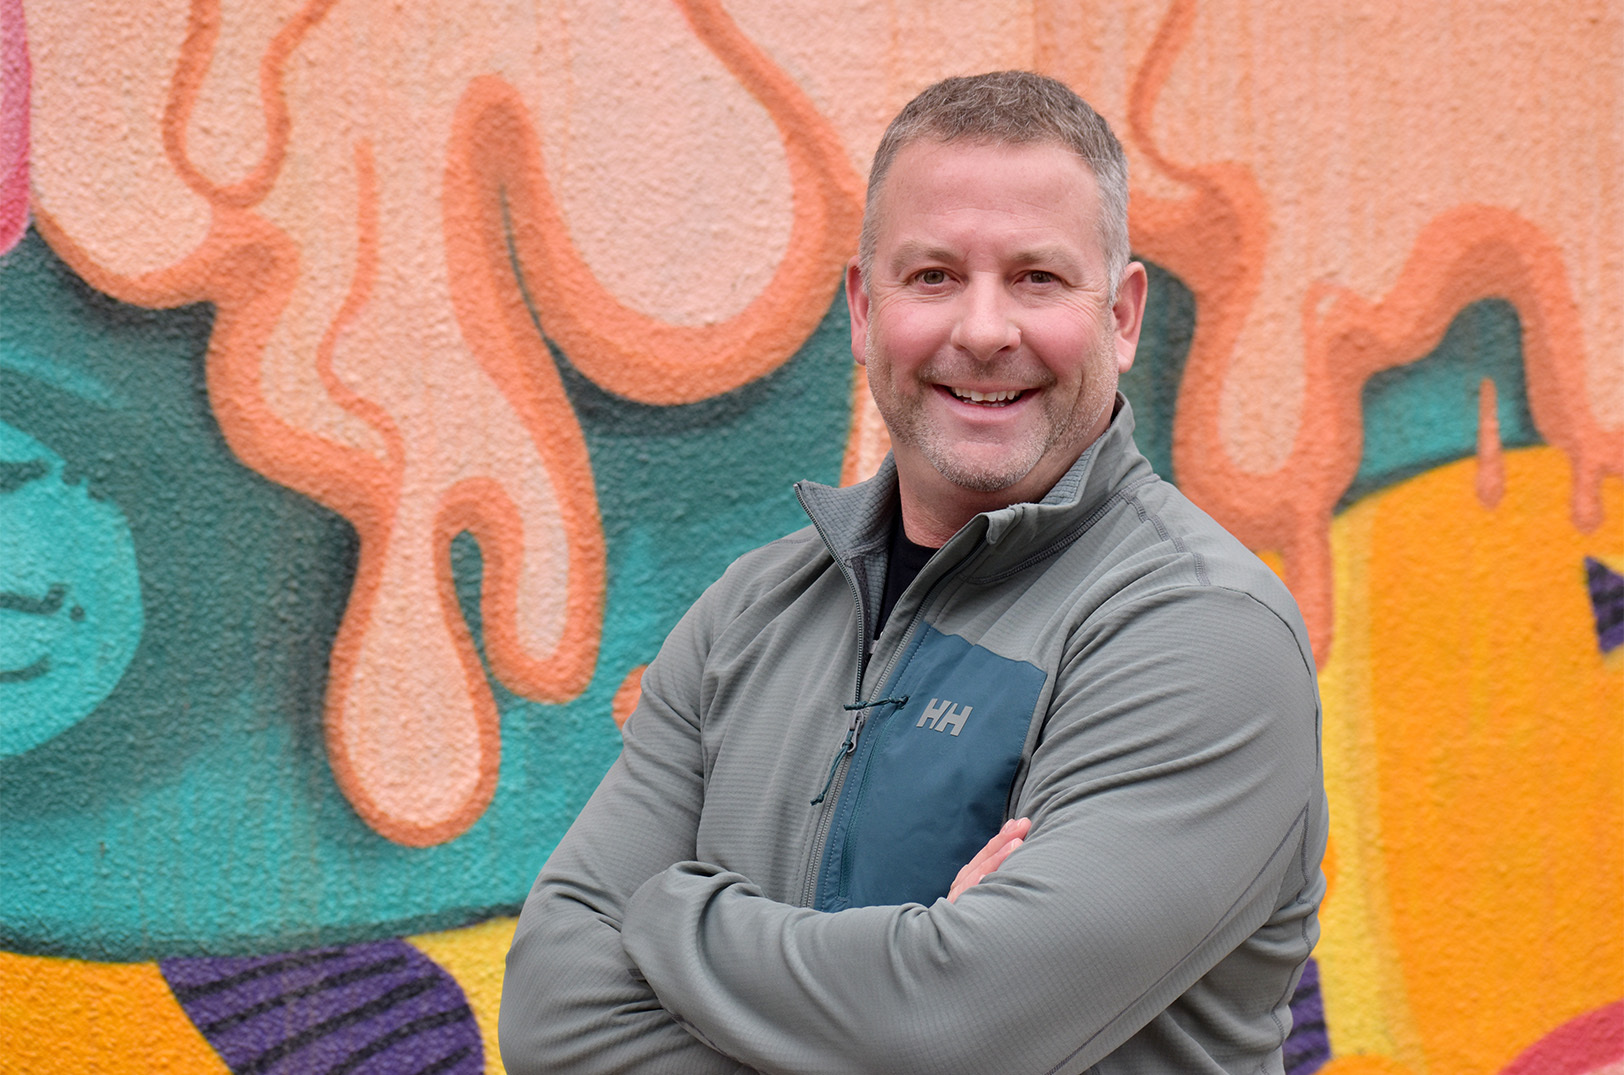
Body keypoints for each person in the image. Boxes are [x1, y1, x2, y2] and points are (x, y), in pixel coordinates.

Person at [499, 70, 1327, 1075]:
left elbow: (945, 1033)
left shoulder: (1200, 631)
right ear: (862, 306)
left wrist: (668, 913)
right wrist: (898, 971)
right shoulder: (747, 616)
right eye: (933, 275)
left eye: (1037, 278)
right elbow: (552, 1017)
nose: (982, 331)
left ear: (1120, 314)